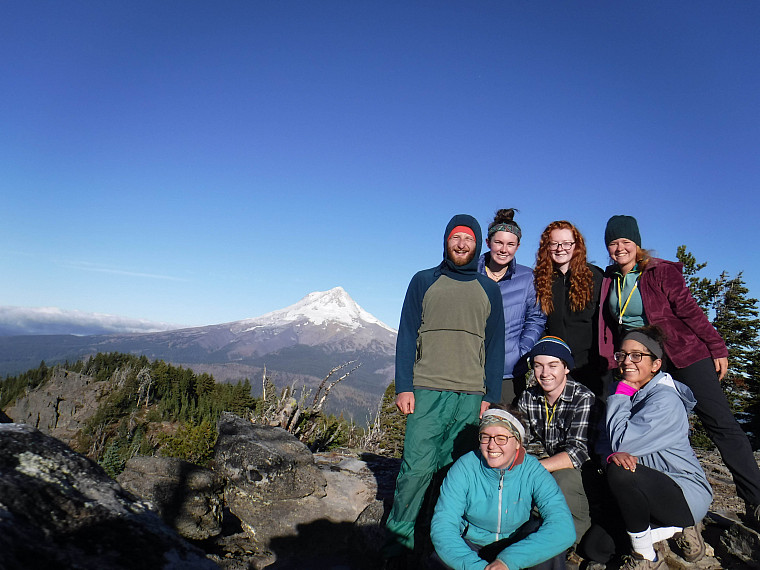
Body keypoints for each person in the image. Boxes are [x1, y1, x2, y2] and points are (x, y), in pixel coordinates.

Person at [599, 214, 760, 529]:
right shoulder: (611, 279)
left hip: (684, 354)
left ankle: (755, 499)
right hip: (643, 361)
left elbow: (690, 310)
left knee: (720, 423)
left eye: (625, 241)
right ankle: (654, 498)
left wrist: (717, 347)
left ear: (637, 244)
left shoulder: (659, 273)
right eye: (614, 242)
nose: (620, 248)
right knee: (639, 427)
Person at [385, 214, 506, 557]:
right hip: (426, 389)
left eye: (469, 239)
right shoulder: (424, 280)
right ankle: (399, 541)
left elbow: (495, 345)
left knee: (453, 473)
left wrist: (491, 397)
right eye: (456, 237)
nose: (462, 244)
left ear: (477, 245)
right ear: (446, 241)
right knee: (416, 469)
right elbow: (407, 333)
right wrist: (404, 386)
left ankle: (438, 540)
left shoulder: (488, 289)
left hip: (470, 395)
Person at [599, 326, 712, 569]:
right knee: (597, 548)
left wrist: (620, 395)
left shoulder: (664, 400)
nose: (626, 361)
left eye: (636, 355)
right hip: (647, 488)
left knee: (620, 472)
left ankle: (646, 557)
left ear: (656, 364)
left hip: (683, 492)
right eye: (622, 355)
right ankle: (664, 531)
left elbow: (621, 443)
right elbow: (606, 444)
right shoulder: (633, 393)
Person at [431, 408, 575, 570]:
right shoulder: (464, 467)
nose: (492, 446)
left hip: (517, 544)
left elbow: (563, 527)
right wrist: (477, 567)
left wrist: (508, 562)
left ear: (518, 442)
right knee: (440, 560)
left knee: (549, 546)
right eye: (485, 437)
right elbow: (443, 525)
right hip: (473, 545)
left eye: (501, 438)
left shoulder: (533, 470)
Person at [518, 336, 598, 548]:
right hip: (546, 461)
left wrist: (536, 467)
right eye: (538, 366)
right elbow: (525, 441)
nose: (545, 373)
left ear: (566, 368)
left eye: (553, 366)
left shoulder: (583, 398)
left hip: (582, 470)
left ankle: (570, 543)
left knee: (563, 480)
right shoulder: (529, 397)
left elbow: (579, 452)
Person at [478, 208, 545, 406]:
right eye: (498, 242)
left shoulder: (527, 278)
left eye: (510, 244)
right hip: (468, 369)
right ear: (488, 242)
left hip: (508, 372)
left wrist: (522, 350)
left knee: (502, 431)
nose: (503, 249)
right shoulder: (470, 273)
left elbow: (536, 318)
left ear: (517, 246)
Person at [534, 221, 605, 398]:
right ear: (546, 247)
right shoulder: (541, 280)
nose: (560, 249)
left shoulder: (595, 277)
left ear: (576, 245)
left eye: (567, 243)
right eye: (554, 244)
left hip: (591, 367)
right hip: (555, 369)